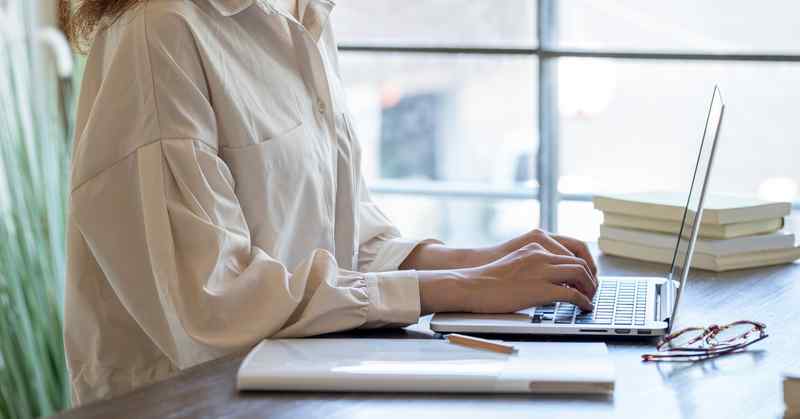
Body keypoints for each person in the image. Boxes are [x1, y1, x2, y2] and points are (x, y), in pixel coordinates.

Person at [60, 0, 598, 405]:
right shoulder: (160, 33)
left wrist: (480, 261)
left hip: (299, 389)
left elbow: (342, 235)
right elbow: (215, 303)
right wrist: (466, 289)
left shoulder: (302, 13)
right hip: (192, 403)